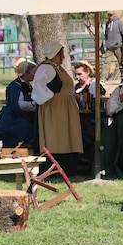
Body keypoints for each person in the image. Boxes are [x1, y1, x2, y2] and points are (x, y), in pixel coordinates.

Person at [31, 41, 83, 177]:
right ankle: (54, 170)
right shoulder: (46, 68)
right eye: (61, 54)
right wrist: (52, 97)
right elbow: (39, 87)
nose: (63, 57)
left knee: (66, 136)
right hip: (55, 109)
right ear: (55, 54)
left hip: (65, 108)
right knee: (56, 137)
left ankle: (67, 169)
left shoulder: (58, 68)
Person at [0, 59, 37, 148]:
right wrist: (34, 105)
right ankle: (20, 146)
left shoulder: (28, 86)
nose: (35, 74)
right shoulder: (16, 86)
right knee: (26, 126)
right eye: (34, 72)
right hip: (12, 117)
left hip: (21, 115)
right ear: (26, 73)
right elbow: (19, 105)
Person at [101, 11, 123, 80]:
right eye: (108, 15)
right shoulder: (107, 23)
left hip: (118, 47)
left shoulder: (119, 23)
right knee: (106, 63)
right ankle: (103, 78)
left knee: (121, 63)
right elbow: (106, 35)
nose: (110, 16)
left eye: (111, 15)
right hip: (109, 47)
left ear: (114, 14)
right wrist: (105, 45)